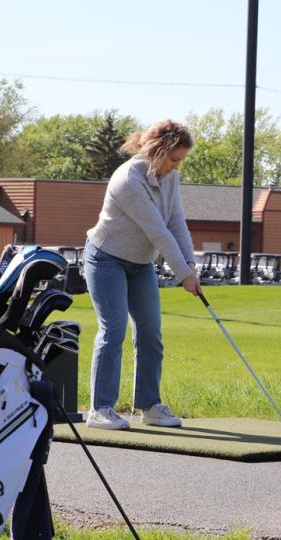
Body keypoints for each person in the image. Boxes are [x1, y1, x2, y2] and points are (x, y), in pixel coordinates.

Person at [83, 119, 201, 430]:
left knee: (150, 332)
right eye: (174, 159)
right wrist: (182, 275)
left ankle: (149, 406)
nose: (176, 167)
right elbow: (157, 231)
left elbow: (177, 223)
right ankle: (101, 409)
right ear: (157, 150)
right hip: (105, 259)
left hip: (140, 264)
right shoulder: (127, 180)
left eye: (180, 161)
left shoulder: (170, 178)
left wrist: (189, 265)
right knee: (114, 330)